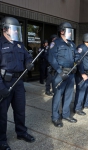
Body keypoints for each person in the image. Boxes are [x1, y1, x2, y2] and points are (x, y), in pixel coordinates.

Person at [0, 16, 35, 150]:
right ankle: (1, 139)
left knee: (20, 110)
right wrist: (1, 87)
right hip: (4, 82)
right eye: (13, 29)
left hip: (19, 82)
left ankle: (21, 133)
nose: (15, 32)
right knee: (2, 114)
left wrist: (28, 63)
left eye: (16, 29)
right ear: (5, 29)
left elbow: (28, 57)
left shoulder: (19, 44)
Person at [48, 22, 79, 127]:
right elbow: (51, 59)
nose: (70, 33)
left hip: (70, 73)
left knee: (69, 95)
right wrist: (60, 72)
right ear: (62, 31)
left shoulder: (71, 44)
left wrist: (77, 61)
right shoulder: (55, 43)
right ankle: (55, 117)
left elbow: (76, 55)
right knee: (57, 96)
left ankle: (65, 114)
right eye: (68, 31)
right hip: (59, 74)